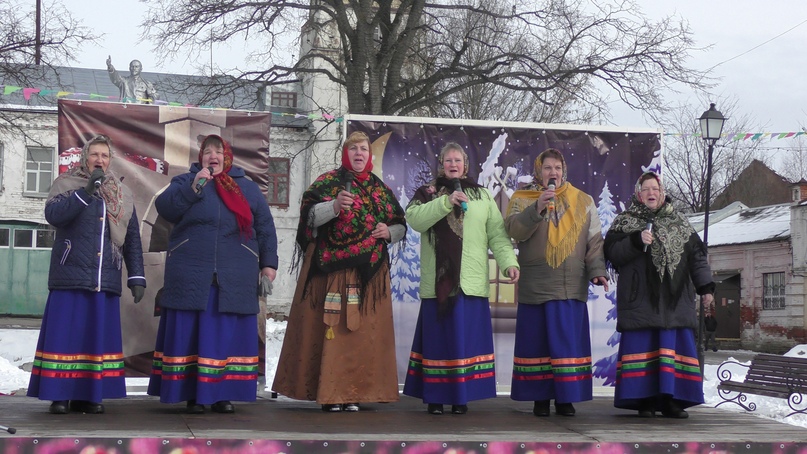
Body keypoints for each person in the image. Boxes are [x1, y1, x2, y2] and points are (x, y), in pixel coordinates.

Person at [272, 131, 406, 412]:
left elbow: (399, 224)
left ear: (370, 156)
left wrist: (389, 231)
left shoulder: (380, 190)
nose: (359, 153)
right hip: (329, 271)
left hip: (368, 275)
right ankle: (330, 392)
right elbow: (309, 218)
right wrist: (333, 207)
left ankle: (355, 393)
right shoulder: (329, 182)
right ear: (346, 154)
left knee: (360, 333)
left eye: (364, 149)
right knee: (330, 329)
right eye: (354, 148)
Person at [147, 134, 278, 414]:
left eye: (218, 151)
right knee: (193, 334)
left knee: (225, 335)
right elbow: (166, 208)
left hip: (235, 272)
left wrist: (269, 264)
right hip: (191, 269)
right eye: (208, 152)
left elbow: (265, 227)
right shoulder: (186, 182)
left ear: (227, 156)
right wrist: (194, 188)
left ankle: (223, 394)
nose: (213, 156)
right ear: (201, 157)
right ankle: (193, 394)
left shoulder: (248, 188)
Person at [28, 134, 146, 415]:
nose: (100, 160)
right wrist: (86, 193)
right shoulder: (67, 184)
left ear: (110, 160)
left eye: (105, 156)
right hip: (70, 276)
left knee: (94, 340)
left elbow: (131, 239)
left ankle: (90, 396)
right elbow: (54, 216)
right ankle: (60, 396)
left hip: (104, 279)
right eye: (95, 155)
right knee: (66, 338)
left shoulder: (120, 192)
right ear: (85, 157)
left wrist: (136, 276)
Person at [402, 142, 520, 416]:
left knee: (464, 343)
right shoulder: (428, 192)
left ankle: (461, 397)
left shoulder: (481, 196)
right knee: (439, 343)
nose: (453, 165)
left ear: (465, 166)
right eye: (448, 160)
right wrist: (446, 202)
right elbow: (415, 220)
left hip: (471, 284)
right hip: (440, 285)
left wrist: (509, 263)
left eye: (458, 160)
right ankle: (435, 397)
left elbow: (498, 235)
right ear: (441, 164)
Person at [504, 148, 608, 417]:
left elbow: (594, 241)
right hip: (535, 285)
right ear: (539, 171)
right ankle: (540, 398)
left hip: (569, 286)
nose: (553, 173)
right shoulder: (521, 198)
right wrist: (537, 207)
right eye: (548, 168)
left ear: (564, 171)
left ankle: (566, 398)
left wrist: (598, 271)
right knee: (537, 343)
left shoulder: (583, 201)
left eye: (557, 168)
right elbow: (514, 231)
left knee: (565, 344)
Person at [604, 171, 714, 419]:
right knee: (643, 352)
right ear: (638, 194)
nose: (651, 193)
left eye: (655, 188)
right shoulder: (625, 222)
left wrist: (706, 288)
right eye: (646, 189)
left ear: (662, 193)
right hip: (640, 302)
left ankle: (673, 402)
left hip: (676, 305)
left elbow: (697, 258)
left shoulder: (681, 223)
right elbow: (613, 254)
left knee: (672, 353)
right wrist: (635, 240)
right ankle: (645, 402)